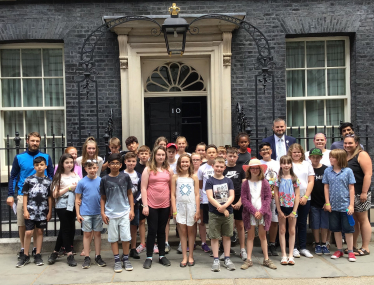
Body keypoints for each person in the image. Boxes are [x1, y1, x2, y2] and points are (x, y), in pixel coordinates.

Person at [7, 131, 54, 261]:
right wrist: (11, 194)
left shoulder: (45, 157)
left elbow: (51, 175)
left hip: (41, 195)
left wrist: (51, 190)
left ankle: (36, 250)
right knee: (23, 224)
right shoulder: (19, 157)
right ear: (27, 141)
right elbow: (13, 176)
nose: (35, 143)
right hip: (24, 194)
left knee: (38, 227)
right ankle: (24, 249)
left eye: (37, 141)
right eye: (32, 140)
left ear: (40, 142)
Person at [101, 153, 135, 273]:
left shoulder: (125, 177)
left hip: (124, 212)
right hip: (111, 213)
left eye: (117, 163)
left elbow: (130, 193)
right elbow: (103, 197)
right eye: (112, 163)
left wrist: (132, 209)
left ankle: (125, 258)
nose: (115, 165)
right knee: (113, 238)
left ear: (121, 164)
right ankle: (116, 260)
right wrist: (103, 213)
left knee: (126, 237)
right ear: (108, 165)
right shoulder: (104, 180)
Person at [16, 157, 52, 268]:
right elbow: (25, 195)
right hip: (31, 210)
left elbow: (50, 197)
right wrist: (25, 210)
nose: (39, 167)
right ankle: (25, 255)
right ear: (34, 166)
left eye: (41, 165)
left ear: (45, 166)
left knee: (40, 231)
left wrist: (50, 211)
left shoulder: (48, 181)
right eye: (37, 165)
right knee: (28, 232)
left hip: (42, 211)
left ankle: (37, 254)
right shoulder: (28, 180)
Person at [141, 146, 173, 269]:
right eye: (158, 154)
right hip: (151, 204)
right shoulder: (148, 169)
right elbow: (143, 188)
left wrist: (171, 205)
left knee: (162, 231)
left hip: (165, 204)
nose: (160, 157)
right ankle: (149, 257)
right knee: (152, 230)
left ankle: (162, 256)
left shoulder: (169, 170)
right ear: (154, 155)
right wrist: (145, 205)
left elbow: (171, 188)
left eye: (163, 155)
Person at [240, 159, 277, 270]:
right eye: (253, 168)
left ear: (260, 170)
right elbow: (244, 199)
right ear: (249, 170)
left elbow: (268, 198)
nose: (255, 170)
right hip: (250, 213)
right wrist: (253, 211)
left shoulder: (264, 182)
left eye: (257, 168)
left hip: (263, 214)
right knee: (250, 236)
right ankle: (249, 259)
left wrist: (261, 211)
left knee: (263, 236)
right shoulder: (245, 183)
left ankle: (266, 259)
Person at [323, 149, 356, 262]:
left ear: (340, 159)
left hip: (345, 205)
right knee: (335, 229)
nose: (331, 159)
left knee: (348, 229)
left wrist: (351, 205)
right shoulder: (328, 171)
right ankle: (339, 250)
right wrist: (327, 203)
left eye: (333, 157)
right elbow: (326, 187)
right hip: (333, 206)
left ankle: (350, 251)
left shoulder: (348, 171)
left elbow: (351, 188)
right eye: (330, 157)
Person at [48, 154, 80, 266]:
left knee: (67, 228)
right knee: (66, 229)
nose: (69, 164)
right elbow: (55, 194)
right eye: (67, 162)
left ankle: (55, 252)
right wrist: (69, 188)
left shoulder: (76, 175)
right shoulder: (58, 176)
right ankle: (69, 254)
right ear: (62, 164)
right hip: (62, 205)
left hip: (73, 205)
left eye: (71, 162)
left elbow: (80, 190)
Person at [206, 157, 235, 272]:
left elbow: (231, 196)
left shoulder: (228, 181)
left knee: (227, 236)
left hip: (228, 213)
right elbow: (210, 197)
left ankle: (227, 258)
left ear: (225, 168)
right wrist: (221, 208)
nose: (218, 168)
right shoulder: (210, 181)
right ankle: (216, 259)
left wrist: (224, 207)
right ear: (213, 166)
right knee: (214, 237)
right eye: (217, 166)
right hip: (214, 213)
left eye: (221, 167)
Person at [75, 160, 106, 269]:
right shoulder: (82, 182)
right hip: (86, 213)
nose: (92, 170)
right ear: (86, 169)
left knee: (97, 234)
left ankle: (98, 255)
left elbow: (104, 197)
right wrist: (78, 214)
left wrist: (104, 211)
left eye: (94, 168)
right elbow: (77, 198)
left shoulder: (101, 181)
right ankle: (87, 256)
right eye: (90, 168)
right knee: (87, 235)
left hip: (98, 212)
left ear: (97, 168)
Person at [344, 134, 372, 256]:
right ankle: (353, 246)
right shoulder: (346, 156)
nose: (347, 145)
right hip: (350, 194)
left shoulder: (362, 155)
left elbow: (368, 174)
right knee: (354, 220)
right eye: (345, 143)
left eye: (350, 143)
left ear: (356, 143)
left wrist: (364, 192)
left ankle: (365, 247)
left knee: (363, 219)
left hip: (361, 193)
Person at [171, 154, 200, 267]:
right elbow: (173, 195)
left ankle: (191, 255)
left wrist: (197, 210)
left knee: (191, 232)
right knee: (182, 232)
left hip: (191, 206)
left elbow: (197, 194)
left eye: (187, 162)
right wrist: (174, 209)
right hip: (180, 207)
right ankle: (184, 256)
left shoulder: (194, 177)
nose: (185, 164)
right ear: (179, 164)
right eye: (182, 162)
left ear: (190, 163)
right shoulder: (175, 177)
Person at [288, 143, 315, 258]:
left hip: (305, 198)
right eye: (294, 152)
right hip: (291, 199)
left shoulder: (307, 164)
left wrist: (305, 196)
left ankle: (303, 247)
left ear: (302, 153)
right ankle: (293, 248)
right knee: (292, 223)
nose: (297, 154)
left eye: (298, 152)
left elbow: (311, 181)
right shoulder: (288, 164)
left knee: (302, 223)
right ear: (290, 153)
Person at [274, 155, 300, 265]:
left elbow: (297, 195)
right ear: (280, 165)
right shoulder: (278, 178)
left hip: (292, 207)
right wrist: (279, 210)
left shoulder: (294, 178)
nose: (286, 165)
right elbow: (275, 194)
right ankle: (283, 254)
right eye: (283, 163)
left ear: (291, 165)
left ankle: (290, 255)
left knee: (292, 230)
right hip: (282, 207)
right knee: (282, 230)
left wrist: (294, 211)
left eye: (288, 163)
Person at [223, 147, 247, 261]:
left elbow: (244, 187)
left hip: (238, 200)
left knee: (240, 225)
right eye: (230, 156)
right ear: (226, 156)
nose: (232, 158)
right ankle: (225, 250)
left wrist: (240, 201)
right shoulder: (223, 169)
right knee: (227, 226)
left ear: (237, 157)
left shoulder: (241, 169)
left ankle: (242, 249)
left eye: (234, 156)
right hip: (226, 200)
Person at [258, 142, 280, 256]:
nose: (265, 151)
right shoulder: (258, 163)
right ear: (260, 153)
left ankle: (272, 243)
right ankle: (264, 243)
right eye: (263, 149)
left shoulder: (277, 164)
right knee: (263, 220)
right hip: (262, 197)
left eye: (267, 149)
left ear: (271, 151)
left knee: (274, 220)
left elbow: (280, 178)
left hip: (275, 195)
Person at [308, 148, 330, 255]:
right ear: (309, 158)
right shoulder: (308, 169)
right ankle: (317, 243)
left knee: (325, 224)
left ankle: (324, 243)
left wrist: (328, 202)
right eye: (313, 157)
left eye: (317, 157)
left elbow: (329, 186)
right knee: (315, 224)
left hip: (324, 201)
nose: (315, 159)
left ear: (321, 157)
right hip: (313, 201)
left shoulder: (326, 169)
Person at [197, 144, 218, 253]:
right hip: (205, 199)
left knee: (215, 222)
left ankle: (216, 243)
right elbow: (200, 184)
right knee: (203, 222)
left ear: (216, 154)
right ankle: (204, 243)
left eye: (213, 152)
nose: (211, 154)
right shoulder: (202, 168)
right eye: (209, 152)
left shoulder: (219, 166)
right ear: (205, 153)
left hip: (218, 200)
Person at [123, 152, 142, 260]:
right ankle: (125, 248)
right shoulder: (121, 174)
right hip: (123, 205)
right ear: (125, 162)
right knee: (124, 226)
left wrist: (134, 201)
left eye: (133, 161)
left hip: (135, 204)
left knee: (134, 226)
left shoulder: (138, 175)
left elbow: (140, 190)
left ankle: (133, 248)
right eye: (129, 161)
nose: (131, 163)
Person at [134, 145, 150, 255]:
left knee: (152, 221)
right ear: (138, 155)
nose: (144, 155)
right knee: (141, 221)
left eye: (146, 153)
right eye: (142, 153)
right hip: (139, 197)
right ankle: (143, 243)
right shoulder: (136, 167)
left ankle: (152, 243)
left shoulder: (152, 166)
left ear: (149, 155)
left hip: (152, 196)